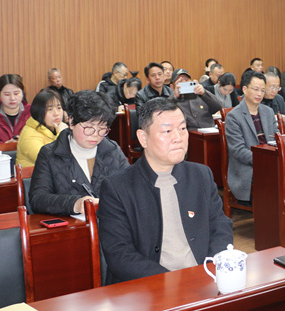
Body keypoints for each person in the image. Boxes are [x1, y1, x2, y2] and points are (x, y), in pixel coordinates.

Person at [98, 97, 233, 284]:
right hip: (151, 286)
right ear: (143, 138)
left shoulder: (201, 175)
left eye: (182, 128)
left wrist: (209, 270)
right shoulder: (117, 187)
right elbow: (120, 255)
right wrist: (172, 282)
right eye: (167, 131)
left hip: (204, 278)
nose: (178, 138)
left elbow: (221, 227)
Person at [29, 90, 128, 216]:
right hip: (72, 225)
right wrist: (75, 204)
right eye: (89, 127)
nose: (95, 134)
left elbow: (132, 186)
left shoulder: (112, 150)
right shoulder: (49, 154)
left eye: (102, 128)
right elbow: (38, 199)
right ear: (71, 122)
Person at [224, 71, 276, 204]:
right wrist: (263, 161)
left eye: (263, 90)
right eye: (256, 89)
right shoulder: (233, 116)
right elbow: (238, 151)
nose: (259, 94)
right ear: (245, 89)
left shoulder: (268, 112)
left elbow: (275, 140)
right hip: (247, 168)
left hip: (269, 163)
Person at [17, 89, 69, 167]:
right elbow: (53, 161)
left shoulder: (55, 128)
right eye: (50, 109)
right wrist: (62, 134)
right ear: (39, 112)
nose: (56, 113)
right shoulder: (29, 135)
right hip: (33, 175)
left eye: (59, 108)